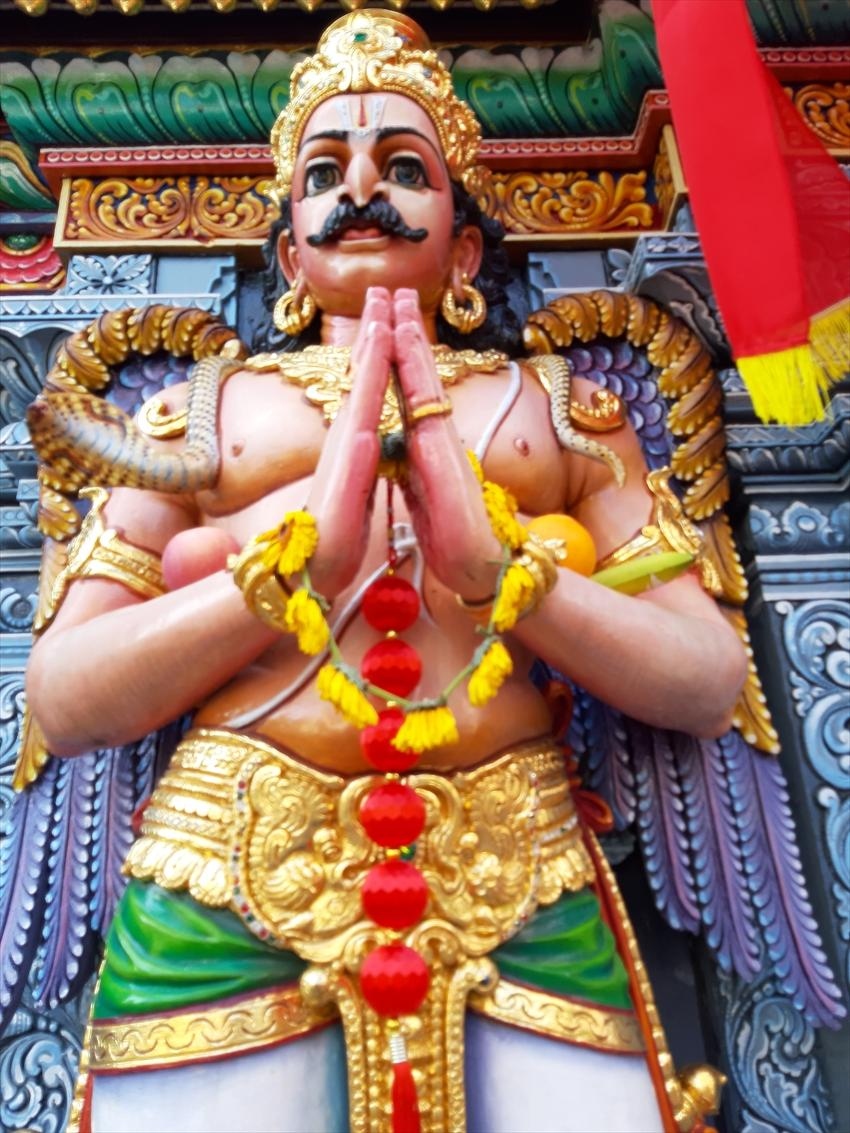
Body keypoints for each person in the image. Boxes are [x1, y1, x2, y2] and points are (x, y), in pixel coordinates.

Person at [24, 11, 746, 1133]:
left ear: (464, 252)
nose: (361, 188)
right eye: (325, 173)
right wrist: (276, 573)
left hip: (517, 866)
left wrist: (503, 572)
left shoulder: (561, 411)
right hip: (229, 865)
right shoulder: (195, 414)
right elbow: (66, 698)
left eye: (404, 168)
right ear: (289, 255)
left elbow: (705, 676)